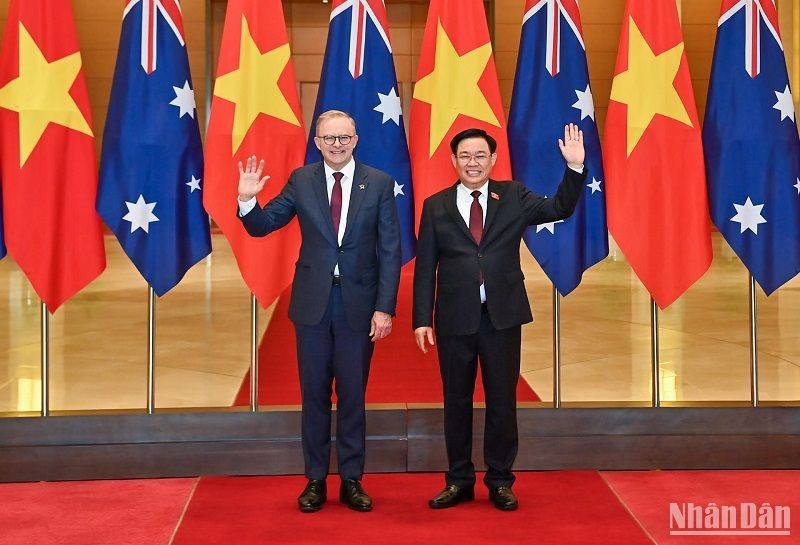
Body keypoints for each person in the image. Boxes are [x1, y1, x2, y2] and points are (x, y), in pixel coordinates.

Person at [412, 125, 586, 511]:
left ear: (493, 160)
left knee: (502, 402)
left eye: (480, 156)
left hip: (502, 317)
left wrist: (574, 169)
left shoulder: (513, 196)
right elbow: (426, 267)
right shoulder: (435, 205)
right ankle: (458, 479)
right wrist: (422, 318)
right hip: (455, 318)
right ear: (453, 161)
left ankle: (500, 479)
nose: (472, 163)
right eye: (465, 156)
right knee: (456, 401)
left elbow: (559, 207)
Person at [237, 110, 401, 513]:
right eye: (329, 138)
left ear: (356, 139)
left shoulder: (378, 183)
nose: (337, 144)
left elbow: (390, 251)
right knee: (313, 395)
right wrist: (246, 199)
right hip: (312, 304)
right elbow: (263, 225)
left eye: (344, 137)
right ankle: (314, 479)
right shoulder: (302, 180)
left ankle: (351, 479)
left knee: (352, 395)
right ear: (317, 142)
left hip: (359, 307)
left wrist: (384, 308)